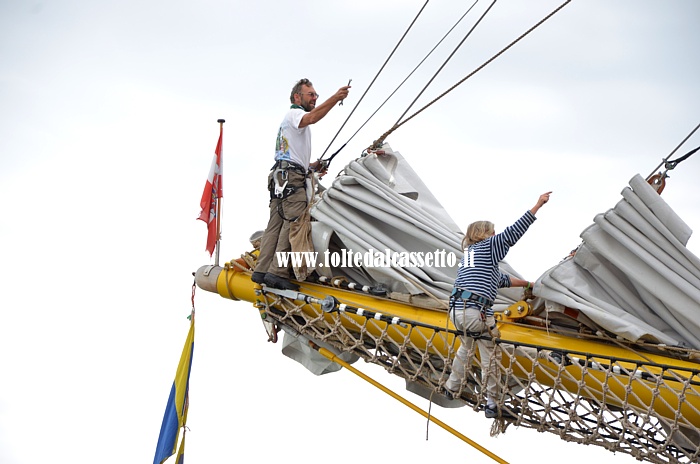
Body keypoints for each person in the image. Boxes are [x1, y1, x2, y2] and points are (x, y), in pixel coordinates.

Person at [444, 192, 551, 418]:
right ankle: (492, 403)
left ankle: (451, 387)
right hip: (476, 312)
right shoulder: (487, 247)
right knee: (490, 356)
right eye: (492, 232)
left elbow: (502, 279)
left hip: (457, 312)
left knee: (466, 347)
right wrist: (537, 206)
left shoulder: (471, 256)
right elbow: (512, 233)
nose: (495, 235)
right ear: (484, 234)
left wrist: (527, 283)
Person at [251, 78, 351, 290]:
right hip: (291, 179)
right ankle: (276, 273)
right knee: (293, 223)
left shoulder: (289, 121)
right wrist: (336, 98)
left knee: (275, 225)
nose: (315, 98)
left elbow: (292, 155)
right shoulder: (295, 114)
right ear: (297, 97)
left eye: (316, 95)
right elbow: (312, 118)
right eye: (311, 94)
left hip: (281, 176)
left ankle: (261, 270)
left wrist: (312, 167)